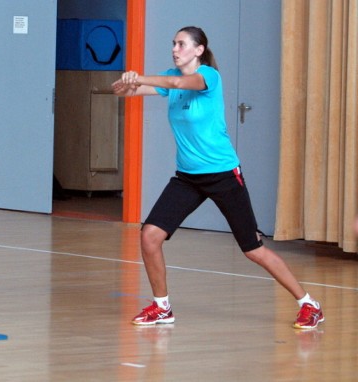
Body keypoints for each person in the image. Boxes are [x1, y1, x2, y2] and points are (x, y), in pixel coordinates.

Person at [112, 26, 324, 330]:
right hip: (187, 178)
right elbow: (125, 91)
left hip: (223, 175)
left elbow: (175, 82)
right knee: (149, 235)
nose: (175, 48)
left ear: (198, 50)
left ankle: (309, 304)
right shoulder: (169, 76)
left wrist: (141, 77)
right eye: (173, 43)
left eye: (181, 44)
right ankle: (162, 307)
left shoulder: (208, 76)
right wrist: (125, 82)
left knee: (253, 249)